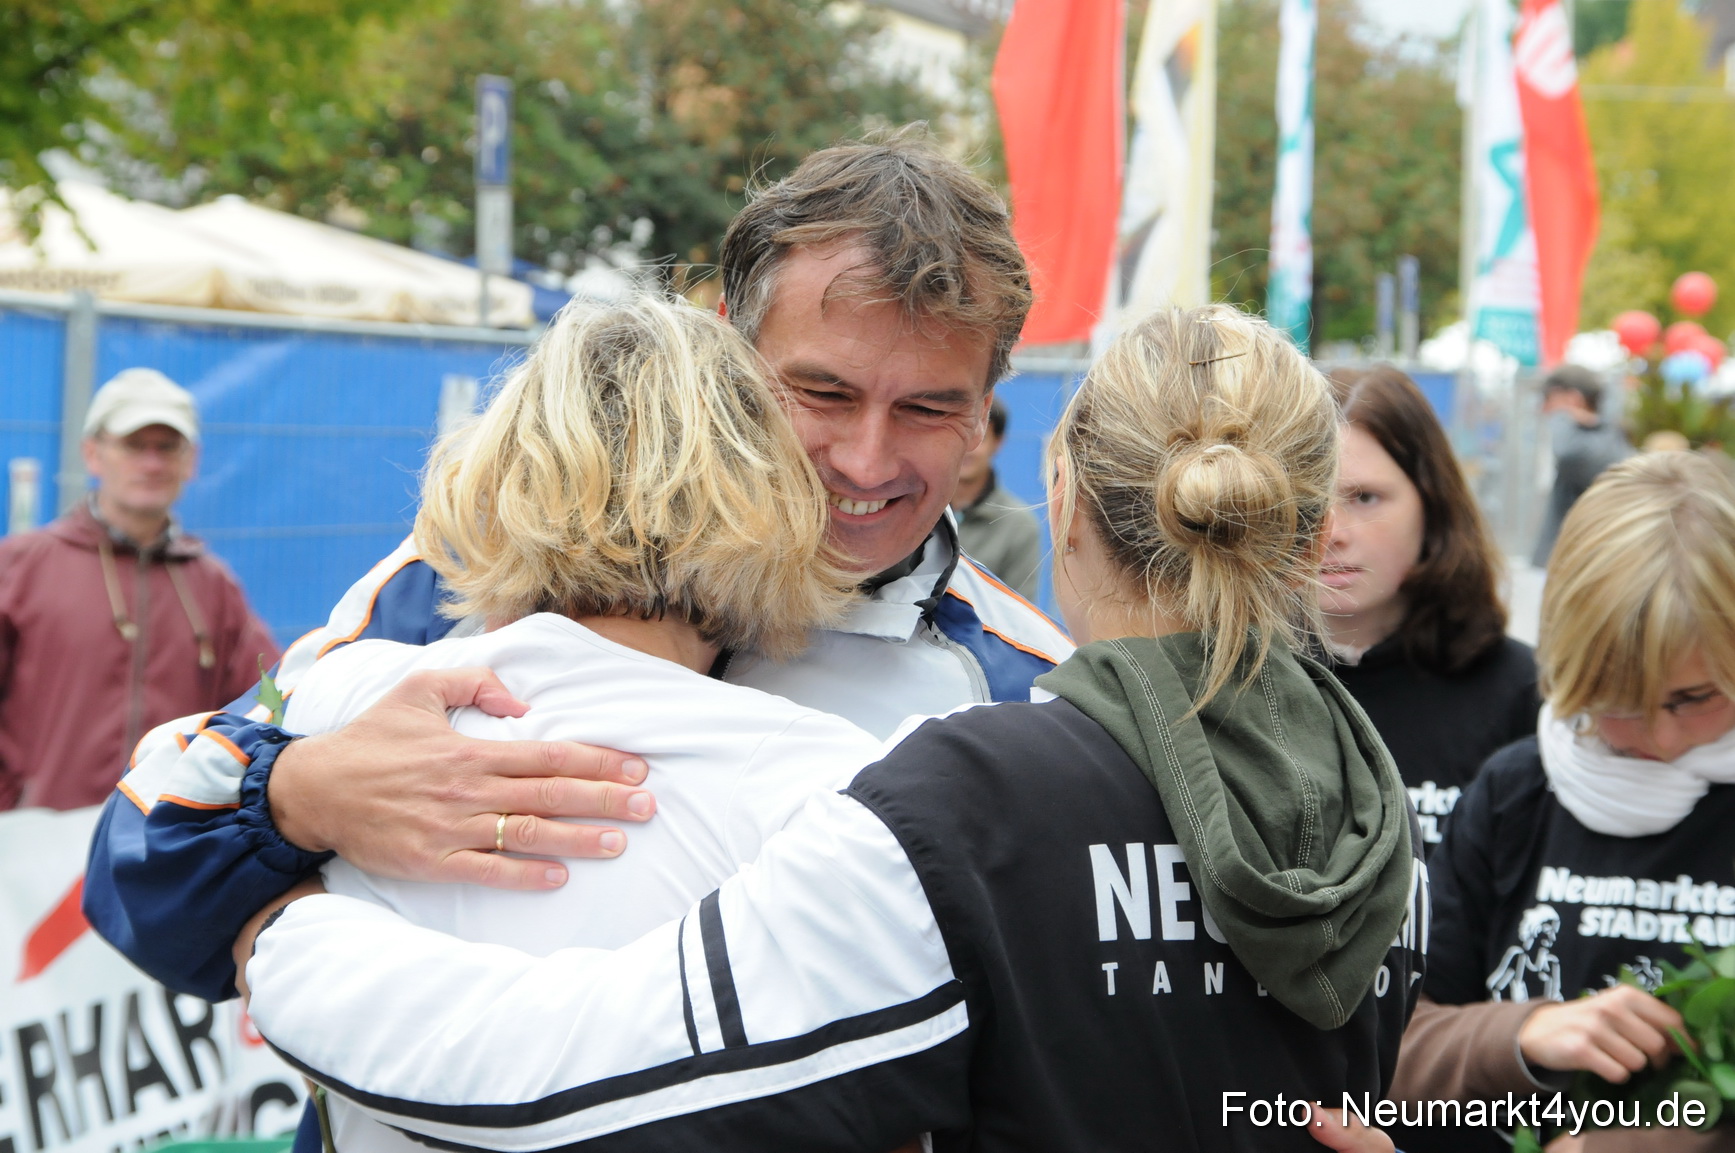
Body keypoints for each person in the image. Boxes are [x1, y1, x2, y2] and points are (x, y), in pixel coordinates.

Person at [240, 304, 1425, 1153]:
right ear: (1310, 521)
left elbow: (566, 1070)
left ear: (1058, 497)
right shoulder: (1378, 817)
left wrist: (284, 943)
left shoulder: (961, 801)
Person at [84, 131, 1072, 1004]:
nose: (865, 459)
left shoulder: (1019, 688)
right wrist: (294, 798)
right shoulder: (460, 578)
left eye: (928, 408)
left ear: (988, 405)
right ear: (728, 341)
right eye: (821, 391)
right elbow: (133, 872)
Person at [275, 294, 907, 1153]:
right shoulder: (823, 782)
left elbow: (179, 798)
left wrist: (273, 936)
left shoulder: (338, 700)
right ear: (762, 489)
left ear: (501, 470)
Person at [1389, 452, 1735, 1153]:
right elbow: (1395, 1047)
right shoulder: (1517, 788)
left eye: (1693, 697)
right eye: (1618, 705)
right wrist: (1521, 1031)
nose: (1660, 739)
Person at [0, 368, 277, 810]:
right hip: (36, 844)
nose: (152, 463)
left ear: (191, 461)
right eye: (134, 445)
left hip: (163, 842)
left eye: (167, 447)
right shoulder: (19, 567)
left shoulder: (213, 585)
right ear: (93, 454)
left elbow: (266, 708)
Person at [1321, 366, 1538, 851]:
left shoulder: (1519, 691)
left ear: (1432, 503)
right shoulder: (1229, 682)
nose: (1330, 531)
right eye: (1305, 500)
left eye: (1364, 497)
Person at [1532, 364, 1630, 566]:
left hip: (1582, 562)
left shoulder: (1598, 442)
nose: (1544, 409)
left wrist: (1563, 416)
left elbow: (1568, 455)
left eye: (1549, 400)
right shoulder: (1602, 436)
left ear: (1573, 398)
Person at [951, 396, 1041, 599]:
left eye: (980, 438)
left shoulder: (1019, 525)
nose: (968, 449)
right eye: (961, 436)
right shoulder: (918, 508)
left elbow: (1020, 610)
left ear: (998, 443)